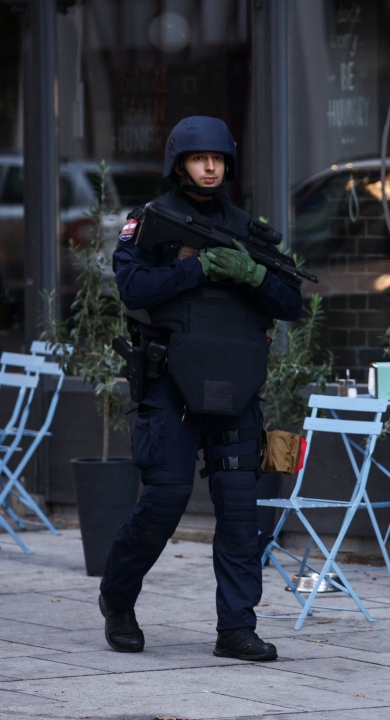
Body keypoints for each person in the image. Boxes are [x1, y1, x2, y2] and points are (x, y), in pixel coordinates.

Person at [97, 116, 302, 661]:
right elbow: (132, 286)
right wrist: (201, 269)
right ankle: (117, 600)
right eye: (197, 158)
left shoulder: (247, 229)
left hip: (235, 387)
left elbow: (293, 305)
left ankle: (236, 628)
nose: (209, 166)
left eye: (217, 158)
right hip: (171, 387)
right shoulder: (152, 221)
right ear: (178, 163)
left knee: (239, 512)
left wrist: (254, 276)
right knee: (164, 500)